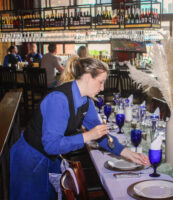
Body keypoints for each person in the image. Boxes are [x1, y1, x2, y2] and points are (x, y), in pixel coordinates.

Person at [10, 57, 150, 200]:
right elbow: (51, 145)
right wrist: (87, 136)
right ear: (88, 77)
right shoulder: (59, 99)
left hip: (50, 158)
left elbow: (101, 135)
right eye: (100, 82)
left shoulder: (86, 101)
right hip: (29, 158)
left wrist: (127, 153)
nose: (102, 88)